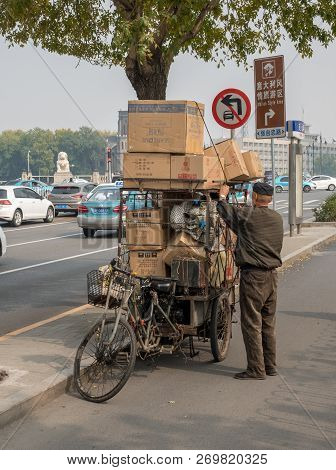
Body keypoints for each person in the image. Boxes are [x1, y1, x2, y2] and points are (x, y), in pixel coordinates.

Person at [217, 182, 284, 380]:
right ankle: (270, 366)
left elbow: (226, 212)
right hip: (271, 277)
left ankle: (256, 369)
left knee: (252, 323)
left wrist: (222, 196)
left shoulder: (249, 215)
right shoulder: (277, 218)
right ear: (269, 198)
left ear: (254, 197)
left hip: (254, 277)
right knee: (267, 323)